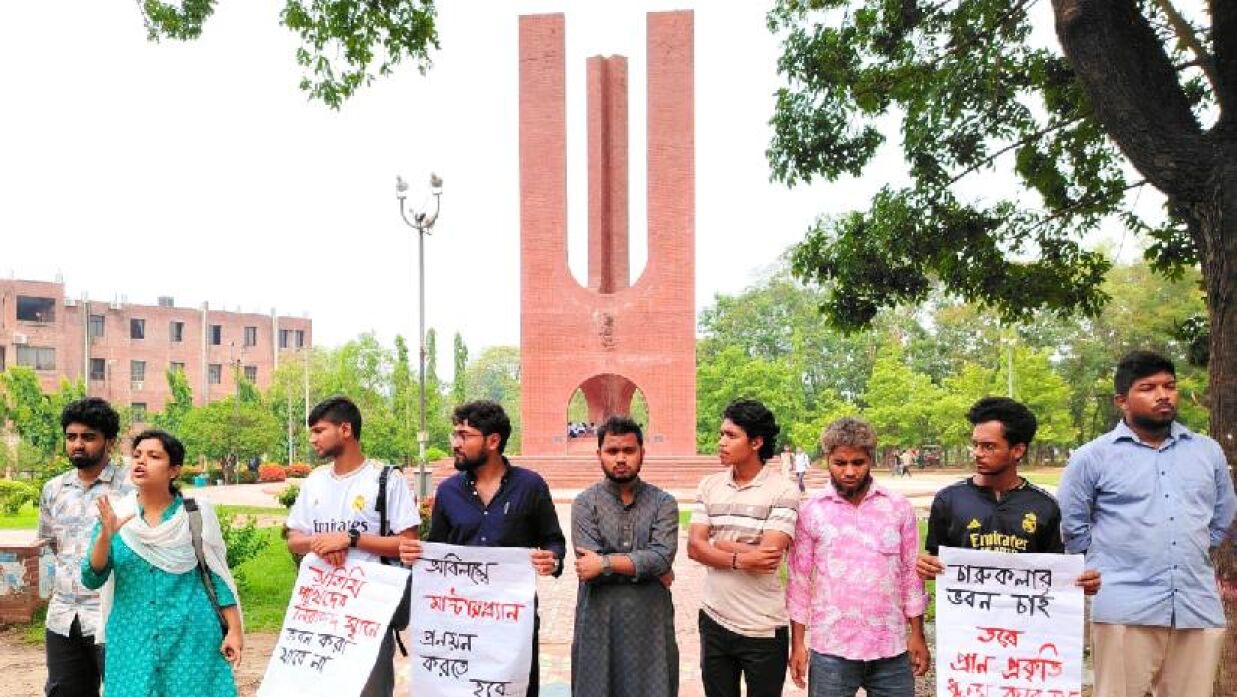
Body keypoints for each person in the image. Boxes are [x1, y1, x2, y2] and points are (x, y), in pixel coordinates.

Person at [1058, 351, 1237, 697]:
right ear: (1122, 400)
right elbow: (1073, 526)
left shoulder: (1207, 451)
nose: (1163, 395)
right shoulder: (1091, 458)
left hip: (1196, 605)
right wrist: (1102, 566)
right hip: (1124, 606)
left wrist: (1193, 547)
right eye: (1148, 388)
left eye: (1170, 386)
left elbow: (1221, 516)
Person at [400, 400, 566, 697]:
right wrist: (415, 556)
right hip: (458, 624)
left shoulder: (531, 486)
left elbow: (554, 541)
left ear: (493, 440)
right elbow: (437, 550)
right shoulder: (449, 491)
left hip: (513, 624)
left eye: (464, 435)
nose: (455, 443)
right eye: (455, 434)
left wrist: (551, 560)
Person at [82, 430, 242, 697]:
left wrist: (234, 631)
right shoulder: (116, 516)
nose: (141, 461)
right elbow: (92, 577)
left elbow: (216, 576)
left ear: (174, 470)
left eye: (153, 456)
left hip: (191, 636)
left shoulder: (195, 514)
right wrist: (105, 538)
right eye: (136, 455)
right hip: (131, 637)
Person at [285, 397, 419, 697]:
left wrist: (351, 538)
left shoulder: (386, 479)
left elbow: (409, 544)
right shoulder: (315, 481)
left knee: (370, 689)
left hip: (370, 609)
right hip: (320, 607)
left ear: (345, 429)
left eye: (319, 430)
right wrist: (320, 543)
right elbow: (294, 540)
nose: (312, 438)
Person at [787, 417, 929, 696]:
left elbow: (911, 575)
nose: (849, 472)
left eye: (858, 463)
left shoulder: (897, 507)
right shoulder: (811, 511)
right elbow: (799, 581)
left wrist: (917, 634)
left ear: (871, 459)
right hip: (832, 649)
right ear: (828, 459)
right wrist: (798, 643)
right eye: (840, 463)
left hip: (891, 647)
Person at [916, 396, 1100, 581]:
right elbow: (937, 562)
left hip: (1023, 608)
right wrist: (927, 568)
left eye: (989, 446)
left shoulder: (1045, 506)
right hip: (968, 607)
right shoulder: (948, 500)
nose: (978, 453)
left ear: (1018, 450)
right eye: (975, 445)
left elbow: (1054, 574)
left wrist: (1080, 583)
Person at [687, 399, 800, 697]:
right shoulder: (709, 486)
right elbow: (694, 548)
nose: (721, 442)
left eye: (731, 435)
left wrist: (720, 546)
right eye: (721, 434)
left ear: (756, 442)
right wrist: (739, 556)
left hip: (762, 627)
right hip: (714, 619)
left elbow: (768, 558)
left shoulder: (783, 490)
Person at [570, 415, 679, 697]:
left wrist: (605, 563)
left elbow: (663, 557)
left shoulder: (663, 503)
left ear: (642, 452)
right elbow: (586, 565)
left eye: (629, 451)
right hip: (598, 620)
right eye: (612, 451)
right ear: (599, 454)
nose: (621, 459)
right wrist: (646, 567)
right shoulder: (585, 503)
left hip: (650, 623)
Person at [39, 398, 133, 697]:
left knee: (125, 691)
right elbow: (52, 544)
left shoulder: (132, 489)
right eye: (71, 437)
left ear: (110, 441)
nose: (78, 444)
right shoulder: (54, 490)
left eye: (88, 437)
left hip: (115, 617)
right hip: (64, 617)